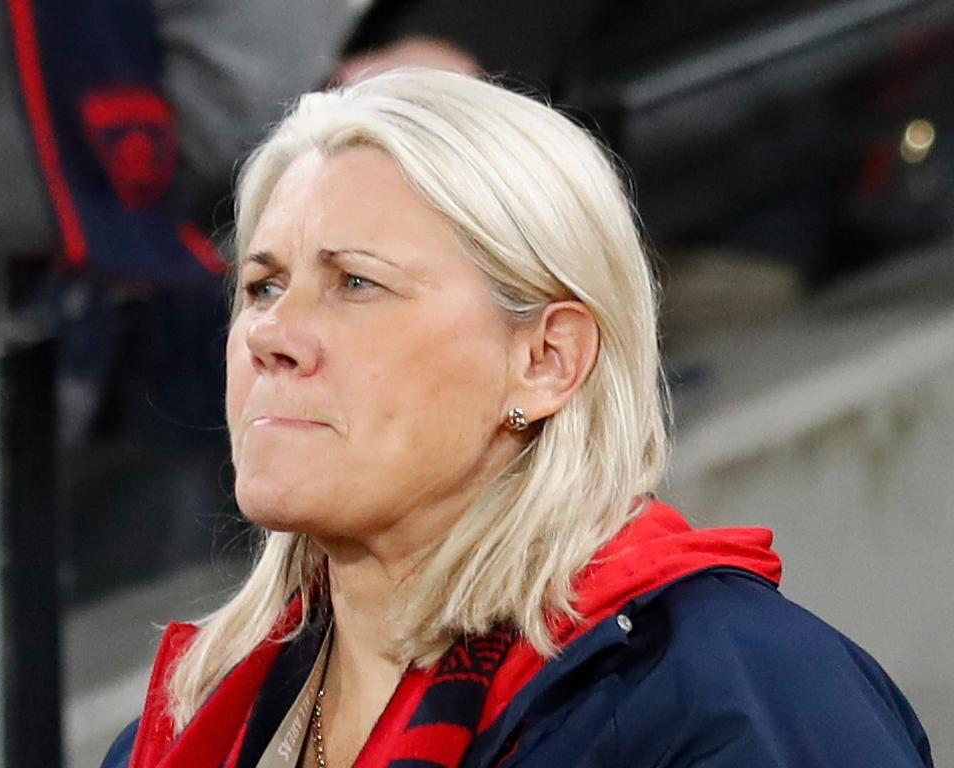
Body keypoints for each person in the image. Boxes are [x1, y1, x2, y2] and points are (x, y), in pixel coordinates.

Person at [101, 69, 933, 768]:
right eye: (262, 285)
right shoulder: (187, 726)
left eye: (356, 282)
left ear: (547, 360)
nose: (273, 335)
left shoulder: (732, 700)